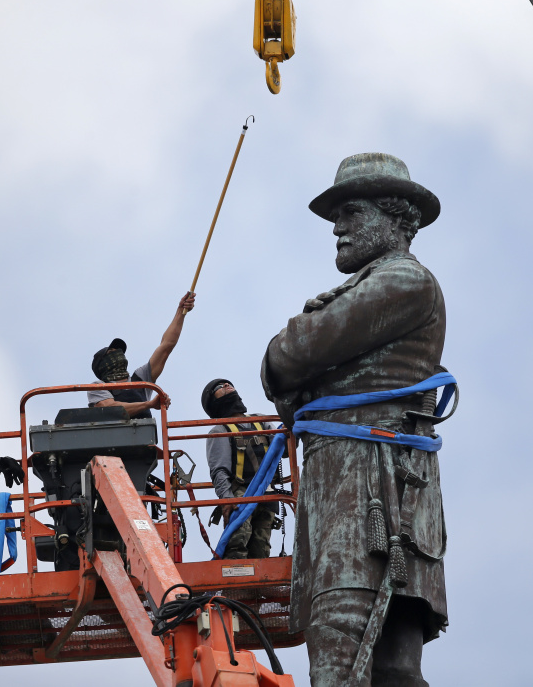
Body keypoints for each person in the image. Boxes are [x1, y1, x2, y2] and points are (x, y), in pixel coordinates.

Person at [261, 153, 448, 686]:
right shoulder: (378, 285)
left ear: (396, 218)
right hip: (384, 493)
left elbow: (292, 352)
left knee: (343, 655)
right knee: (389, 669)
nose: (338, 228)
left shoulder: (403, 282)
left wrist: (294, 352)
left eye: (352, 213)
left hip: (368, 493)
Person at [201, 379, 277, 560]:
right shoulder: (220, 431)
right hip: (241, 493)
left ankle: (258, 587)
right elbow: (219, 470)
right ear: (214, 402)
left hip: (267, 492)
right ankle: (235, 586)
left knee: (262, 548)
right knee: (238, 541)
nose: (227, 385)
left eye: (229, 384)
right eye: (219, 387)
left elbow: (283, 448)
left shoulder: (262, 422)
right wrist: (227, 499)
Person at [87, 292, 196, 414]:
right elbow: (110, 408)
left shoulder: (140, 378)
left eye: (119, 351)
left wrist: (180, 312)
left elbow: (166, 346)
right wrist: (149, 404)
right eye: (112, 352)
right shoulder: (98, 386)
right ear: (102, 364)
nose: (118, 353)